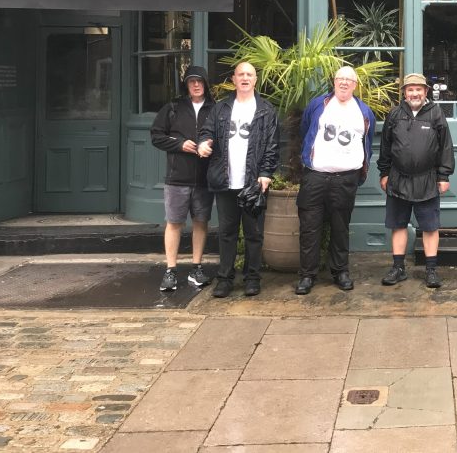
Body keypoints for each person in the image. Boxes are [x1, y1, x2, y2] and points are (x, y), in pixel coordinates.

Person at [197, 61, 279, 299]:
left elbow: (272, 146)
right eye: (240, 74)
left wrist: (266, 173)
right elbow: (207, 132)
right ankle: (225, 279)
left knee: (254, 234)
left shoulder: (266, 109)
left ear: (255, 80)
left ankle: (252, 278)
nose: (245, 78)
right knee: (227, 232)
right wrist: (204, 143)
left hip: (253, 183)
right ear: (233, 79)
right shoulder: (220, 108)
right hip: (225, 181)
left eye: (249, 74)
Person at [293, 65, 376, 294]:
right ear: (334, 81)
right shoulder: (318, 105)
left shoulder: (364, 112)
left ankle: (340, 271)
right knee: (310, 227)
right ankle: (307, 275)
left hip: (346, 179)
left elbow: (366, 140)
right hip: (315, 176)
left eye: (349, 80)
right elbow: (305, 130)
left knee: (341, 227)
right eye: (340, 78)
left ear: (355, 85)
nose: (344, 83)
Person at [377, 73, 455, 289]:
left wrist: (444, 175)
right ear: (404, 93)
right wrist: (384, 173)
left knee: (430, 227)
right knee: (398, 224)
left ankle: (431, 270)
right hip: (398, 179)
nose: (414, 93)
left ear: (425, 92)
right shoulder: (395, 114)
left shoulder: (436, 114)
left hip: (427, 180)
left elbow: (445, 146)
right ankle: (398, 268)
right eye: (410, 89)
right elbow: (385, 147)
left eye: (418, 89)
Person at [149, 65, 216, 292]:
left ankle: (196, 267)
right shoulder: (173, 108)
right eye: (191, 81)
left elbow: (222, 137)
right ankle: (171, 270)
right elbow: (156, 136)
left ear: (206, 84)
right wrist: (179, 144)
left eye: (200, 81)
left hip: (204, 178)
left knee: (200, 222)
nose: (196, 85)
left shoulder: (215, 109)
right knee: (174, 223)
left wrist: (211, 145)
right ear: (186, 85)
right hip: (177, 177)